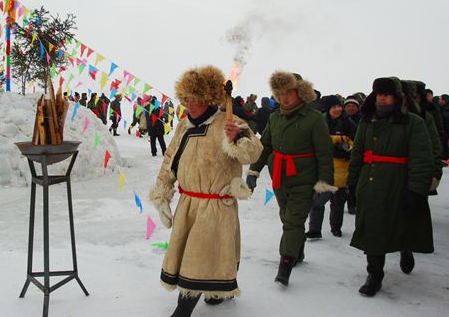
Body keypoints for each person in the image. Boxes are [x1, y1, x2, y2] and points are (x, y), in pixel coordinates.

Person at [149, 65, 263, 316]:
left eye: (195, 99)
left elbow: (254, 152)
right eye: (186, 99)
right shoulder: (182, 126)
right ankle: (215, 290)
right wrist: (162, 193)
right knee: (202, 252)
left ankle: (183, 309)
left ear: (208, 98)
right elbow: (170, 159)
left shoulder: (228, 121)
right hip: (189, 203)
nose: (190, 104)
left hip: (216, 205)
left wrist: (240, 136)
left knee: (199, 257)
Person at [346, 77, 433, 297]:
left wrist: (417, 192)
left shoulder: (413, 122)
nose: (382, 97)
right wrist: (352, 185)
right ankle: (375, 275)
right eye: (379, 93)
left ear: (397, 97)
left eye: (387, 93)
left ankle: (406, 248)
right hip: (371, 184)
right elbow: (357, 156)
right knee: (373, 231)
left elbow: (422, 159)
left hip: (398, 183)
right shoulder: (367, 121)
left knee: (401, 224)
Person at [247, 71, 335, 286]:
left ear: (300, 92)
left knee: (293, 223)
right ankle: (298, 251)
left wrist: (324, 186)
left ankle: (284, 266)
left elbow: (325, 155)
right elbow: (265, 146)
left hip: (304, 179)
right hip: (279, 179)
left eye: (289, 92)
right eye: (280, 93)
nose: (284, 97)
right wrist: (254, 171)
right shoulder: (275, 117)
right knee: (288, 219)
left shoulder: (313, 119)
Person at [305, 95, 357, 239]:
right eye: (334, 107)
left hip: (341, 169)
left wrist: (344, 151)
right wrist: (332, 148)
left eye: (339, 106)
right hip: (322, 168)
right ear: (328, 109)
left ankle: (336, 227)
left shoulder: (349, 124)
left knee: (338, 201)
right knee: (318, 199)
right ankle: (314, 229)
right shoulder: (320, 122)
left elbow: (356, 145)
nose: (337, 109)